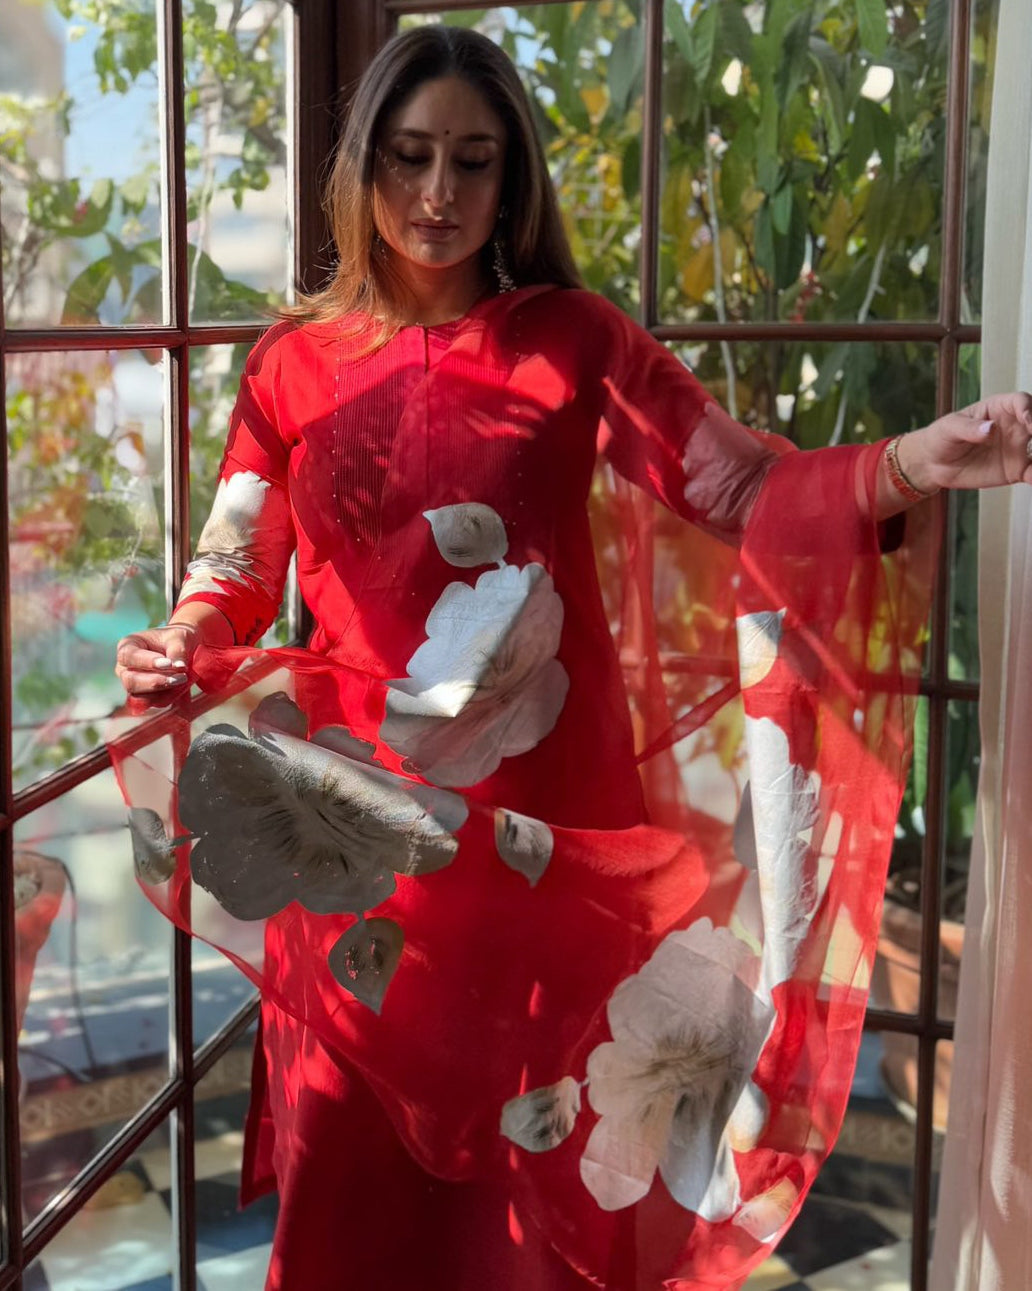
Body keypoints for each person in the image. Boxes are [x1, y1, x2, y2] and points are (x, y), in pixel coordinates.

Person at [113, 25, 1032, 1291]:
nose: (439, 193)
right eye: (410, 157)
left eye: (473, 160)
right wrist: (185, 638)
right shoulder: (290, 368)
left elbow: (740, 490)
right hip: (353, 847)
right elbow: (234, 563)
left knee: (537, 1194)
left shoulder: (576, 341)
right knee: (347, 1176)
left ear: (514, 179)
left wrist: (916, 460)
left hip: (546, 843)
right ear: (362, 168)